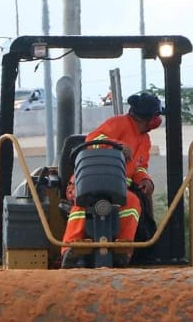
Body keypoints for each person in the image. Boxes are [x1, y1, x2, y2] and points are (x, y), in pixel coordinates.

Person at [61, 92, 162, 267]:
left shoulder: (145, 140)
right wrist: (116, 145)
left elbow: (140, 166)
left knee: (133, 202)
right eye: (157, 115)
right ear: (150, 117)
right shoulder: (119, 123)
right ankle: (70, 250)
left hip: (118, 189)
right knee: (81, 201)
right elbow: (93, 139)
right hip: (87, 182)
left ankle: (122, 250)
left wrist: (145, 180)